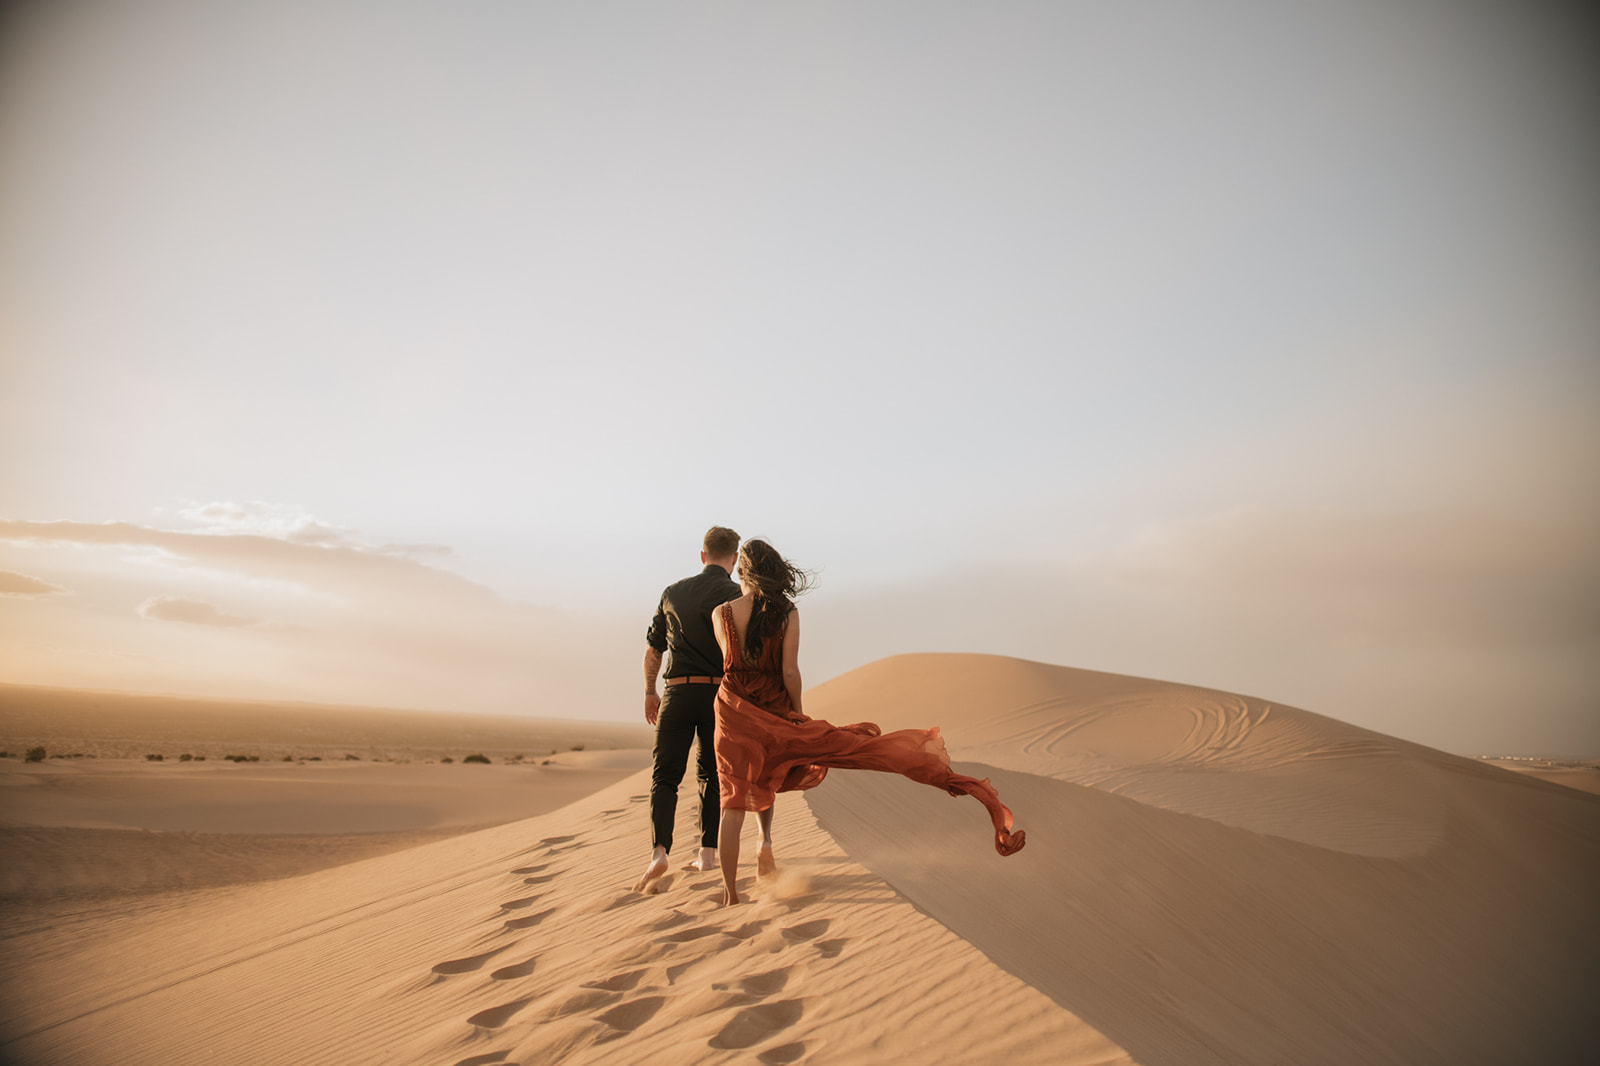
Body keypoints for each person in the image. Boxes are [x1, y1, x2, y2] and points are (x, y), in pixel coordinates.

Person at [710, 539, 1025, 906]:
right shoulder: (787, 613)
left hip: (733, 712)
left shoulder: (721, 613)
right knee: (775, 769)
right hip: (775, 709)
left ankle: (731, 894)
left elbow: (731, 665)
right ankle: (765, 845)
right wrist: (798, 716)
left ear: (742, 572)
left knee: (731, 799)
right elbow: (789, 670)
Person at [635, 525, 743, 893]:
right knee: (712, 774)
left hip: (677, 693)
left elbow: (654, 650)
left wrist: (650, 690)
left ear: (702, 555)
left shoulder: (672, 592)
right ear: (735, 559)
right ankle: (707, 853)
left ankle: (659, 851)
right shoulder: (738, 594)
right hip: (719, 696)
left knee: (665, 776)